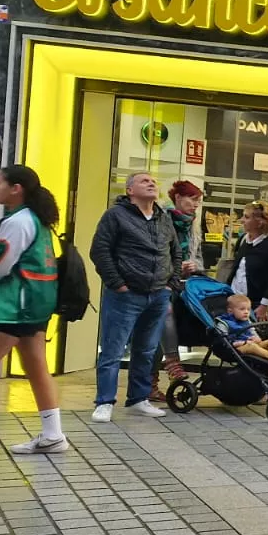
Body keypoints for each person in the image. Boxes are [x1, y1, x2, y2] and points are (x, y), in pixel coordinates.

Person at [89, 172, 180, 423]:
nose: (151, 183)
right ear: (130, 191)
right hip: (125, 295)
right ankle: (104, 402)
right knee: (112, 349)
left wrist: (171, 284)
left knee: (147, 349)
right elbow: (99, 250)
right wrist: (117, 284)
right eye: (144, 181)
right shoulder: (115, 216)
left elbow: (175, 253)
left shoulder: (164, 219)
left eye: (153, 181)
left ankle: (139, 398)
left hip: (158, 295)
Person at [0, 165, 67, 455]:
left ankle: (54, 435)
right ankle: (53, 434)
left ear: (16, 189)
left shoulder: (17, 221)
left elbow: (2, 264)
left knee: (36, 365)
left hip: (14, 305)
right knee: (37, 366)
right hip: (35, 303)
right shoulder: (37, 219)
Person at [152, 180, 205, 402]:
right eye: (192, 199)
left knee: (163, 330)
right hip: (161, 284)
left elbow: (198, 256)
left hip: (184, 287)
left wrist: (195, 265)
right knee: (157, 330)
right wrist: (175, 267)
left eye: (198, 201)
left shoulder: (192, 224)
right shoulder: (161, 219)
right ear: (178, 197)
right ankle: (167, 368)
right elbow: (155, 253)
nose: (195, 206)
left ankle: (153, 384)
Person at [228, 201, 268, 326]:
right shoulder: (243, 240)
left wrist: (264, 306)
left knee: (254, 340)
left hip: (255, 306)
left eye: (247, 217)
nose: (242, 220)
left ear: (260, 222)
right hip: (234, 301)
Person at [219, 295, 268, 366]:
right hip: (237, 349)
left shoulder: (247, 321)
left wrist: (257, 338)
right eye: (242, 309)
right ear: (230, 311)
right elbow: (225, 342)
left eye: (248, 309)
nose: (246, 312)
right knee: (251, 346)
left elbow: (253, 332)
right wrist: (244, 342)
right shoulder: (224, 323)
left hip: (253, 344)